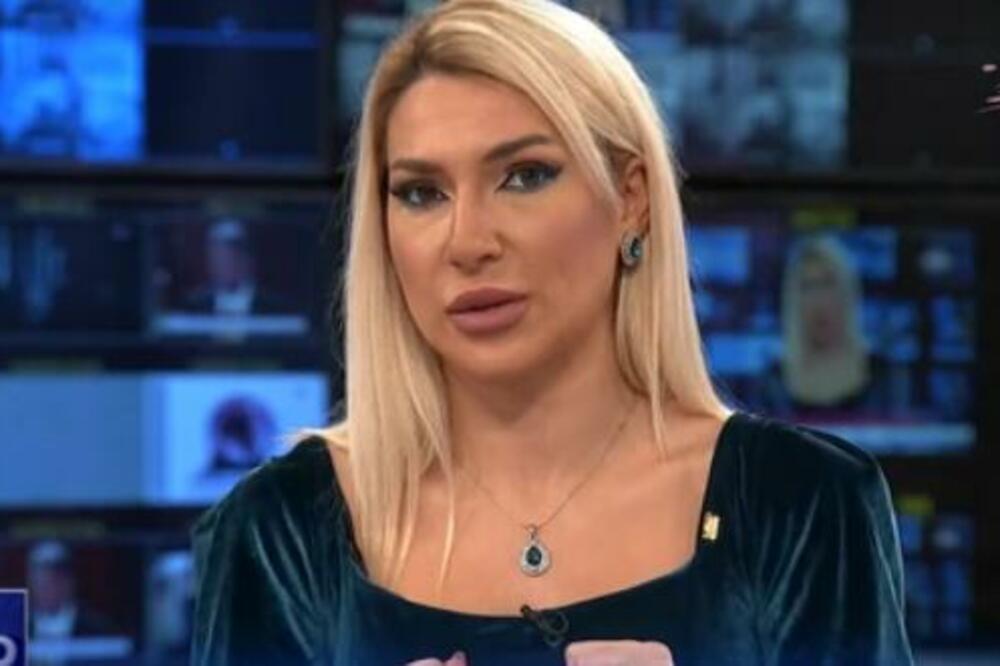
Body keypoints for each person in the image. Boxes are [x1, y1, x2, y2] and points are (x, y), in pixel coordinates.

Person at [190, 1, 914, 665]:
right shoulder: (279, 530)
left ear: (630, 199)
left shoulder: (802, 505)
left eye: (525, 176)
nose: (467, 242)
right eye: (421, 193)